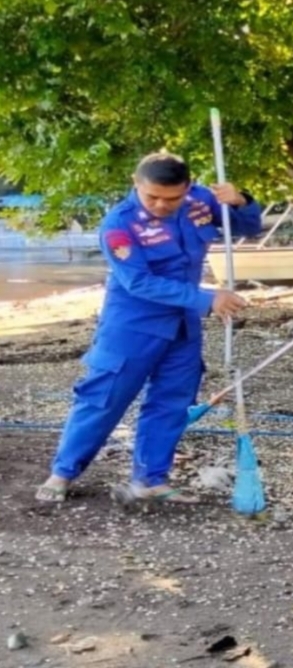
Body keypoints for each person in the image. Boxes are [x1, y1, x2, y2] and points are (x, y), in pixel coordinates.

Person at [36, 152, 262, 504]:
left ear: (188, 187)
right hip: (133, 325)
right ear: (136, 183)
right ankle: (63, 472)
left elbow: (247, 227)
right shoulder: (119, 224)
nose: (161, 205)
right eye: (152, 196)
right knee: (103, 399)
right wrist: (207, 299)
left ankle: (150, 479)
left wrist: (241, 201)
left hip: (183, 324)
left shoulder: (201, 200)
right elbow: (138, 282)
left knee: (172, 401)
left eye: (172, 198)